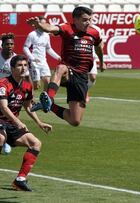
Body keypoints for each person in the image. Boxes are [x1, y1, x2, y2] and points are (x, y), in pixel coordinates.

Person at [26, 6, 106, 126]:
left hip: (82, 77)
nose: (88, 22)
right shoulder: (67, 28)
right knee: (61, 68)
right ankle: (50, 98)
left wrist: (101, 61)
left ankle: (49, 105)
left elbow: (99, 47)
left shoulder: (94, 32)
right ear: (75, 19)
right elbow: (50, 28)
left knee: (75, 120)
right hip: (69, 71)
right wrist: (39, 25)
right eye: (85, 19)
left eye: (90, 19)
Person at [0, 55, 52, 191]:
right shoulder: (4, 84)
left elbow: (28, 107)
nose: (23, 68)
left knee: (36, 144)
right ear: (12, 68)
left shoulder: (27, 86)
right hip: (1, 121)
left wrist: (40, 123)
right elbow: (3, 107)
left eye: (25, 65)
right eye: (19, 65)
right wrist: (17, 122)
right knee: (1, 138)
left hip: (11, 124)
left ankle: (20, 180)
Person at [23, 16, 61, 91]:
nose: (44, 26)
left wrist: (57, 57)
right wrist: (32, 59)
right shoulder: (32, 34)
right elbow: (25, 47)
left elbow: (48, 48)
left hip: (43, 61)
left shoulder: (46, 35)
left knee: (47, 81)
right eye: (42, 23)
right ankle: (28, 98)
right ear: (37, 24)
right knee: (36, 85)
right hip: (34, 62)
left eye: (45, 24)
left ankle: (45, 101)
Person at [0, 33, 16, 155]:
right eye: (7, 44)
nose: (10, 46)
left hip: (10, 93)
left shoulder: (16, 59)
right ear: (2, 45)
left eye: (11, 44)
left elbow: (24, 76)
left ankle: (5, 140)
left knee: (7, 117)